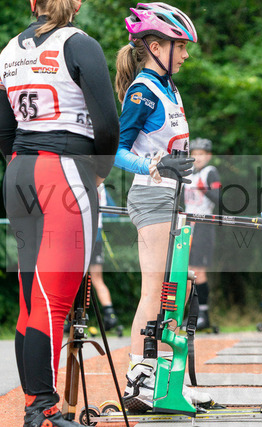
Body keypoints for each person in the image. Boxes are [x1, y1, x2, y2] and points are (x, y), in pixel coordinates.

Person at [0, 0, 119, 425]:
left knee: (30, 299)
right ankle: (43, 409)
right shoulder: (80, 43)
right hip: (64, 169)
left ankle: (36, 404)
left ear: (33, 3)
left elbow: (4, 129)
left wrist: (20, 164)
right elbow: (107, 124)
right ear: (77, 3)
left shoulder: (8, 50)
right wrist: (99, 172)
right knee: (52, 300)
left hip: (19, 170)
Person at [113, 2, 218, 413]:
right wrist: (155, 165)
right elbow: (117, 151)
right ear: (156, 47)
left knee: (179, 288)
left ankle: (169, 382)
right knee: (156, 289)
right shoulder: (142, 90)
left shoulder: (169, 87)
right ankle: (139, 381)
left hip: (174, 198)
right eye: (181, 46)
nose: (186, 54)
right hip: (152, 195)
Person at [182, 137, 221, 330]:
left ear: (208, 156)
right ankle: (191, 314)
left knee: (197, 271)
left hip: (204, 225)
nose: (198, 158)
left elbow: (219, 198)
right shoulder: (188, 172)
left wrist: (202, 189)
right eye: (195, 154)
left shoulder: (210, 172)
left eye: (202, 154)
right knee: (187, 270)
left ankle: (202, 314)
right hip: (188, 225)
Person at [90, 183, 121, 332]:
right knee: (97, 280)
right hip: (96, 236)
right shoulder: (101, 185)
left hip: (78, 234)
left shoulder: (76, 178)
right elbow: (113, 213)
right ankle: (110, 315)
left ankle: (68, 320)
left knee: (72, 279)